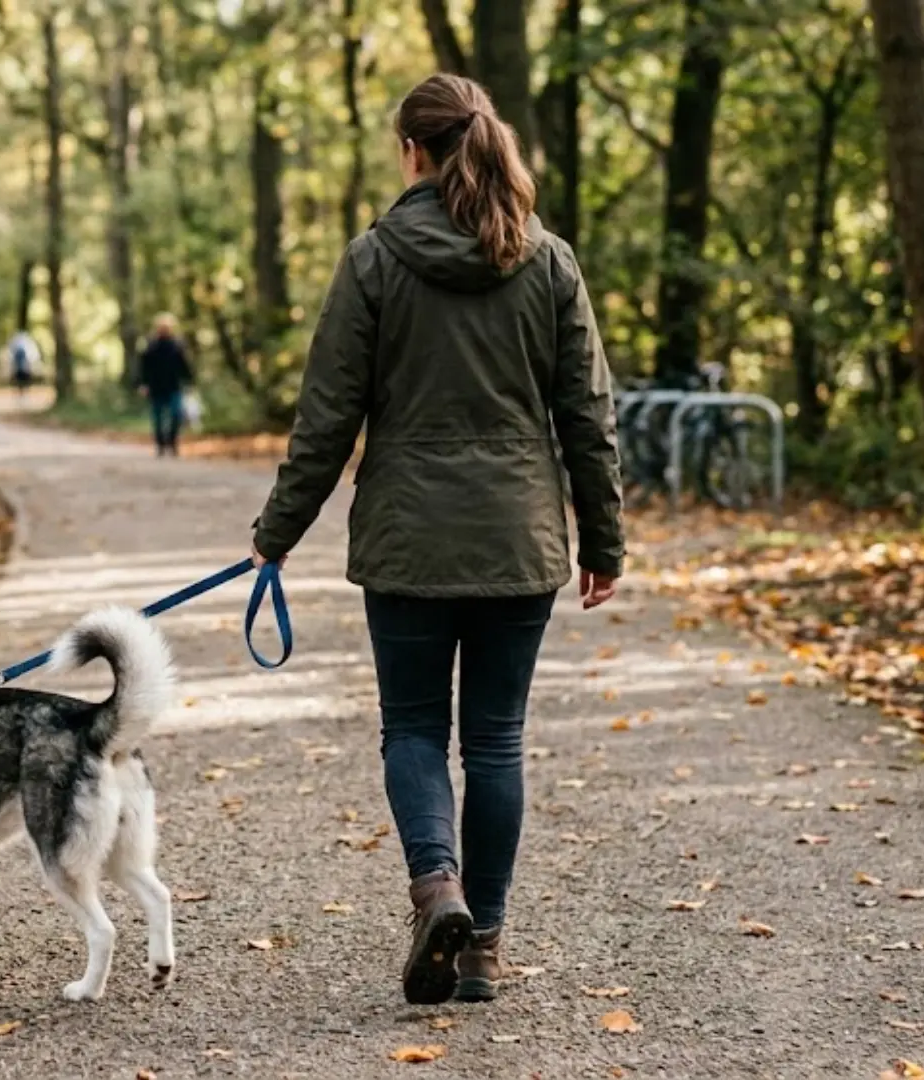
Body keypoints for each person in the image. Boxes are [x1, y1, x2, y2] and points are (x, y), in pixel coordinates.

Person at [248, 74, 624, 1007]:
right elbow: (588, 414)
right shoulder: (547, 262)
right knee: (496, 742)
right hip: (517, 539)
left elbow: (326, 418)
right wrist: (603, 537)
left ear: (413, 152)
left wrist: (275, 534)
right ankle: (483, 946)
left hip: (409, 541)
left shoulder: (374, 260)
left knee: (415, 727)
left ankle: (437, 888)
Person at [135, 313, 194, 456]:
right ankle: (160, 445)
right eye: (162, 327)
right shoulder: (150, 346)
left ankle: (172, 442)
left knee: (176, 414)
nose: (164, 329)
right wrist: (142, 384)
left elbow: (184, 366)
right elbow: (143, 367)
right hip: (155, 387)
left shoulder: (177, 345)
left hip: (174, 386)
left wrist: (190, 382)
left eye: (167, 327)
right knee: (158, 418)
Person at [7, 328, 38, 401]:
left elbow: (11, 352)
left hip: (20, 365)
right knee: (24, 378)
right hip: (24, 365)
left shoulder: (17, 341)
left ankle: (21, 393)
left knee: (20, 378)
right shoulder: (27, 342)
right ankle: (23, 393)